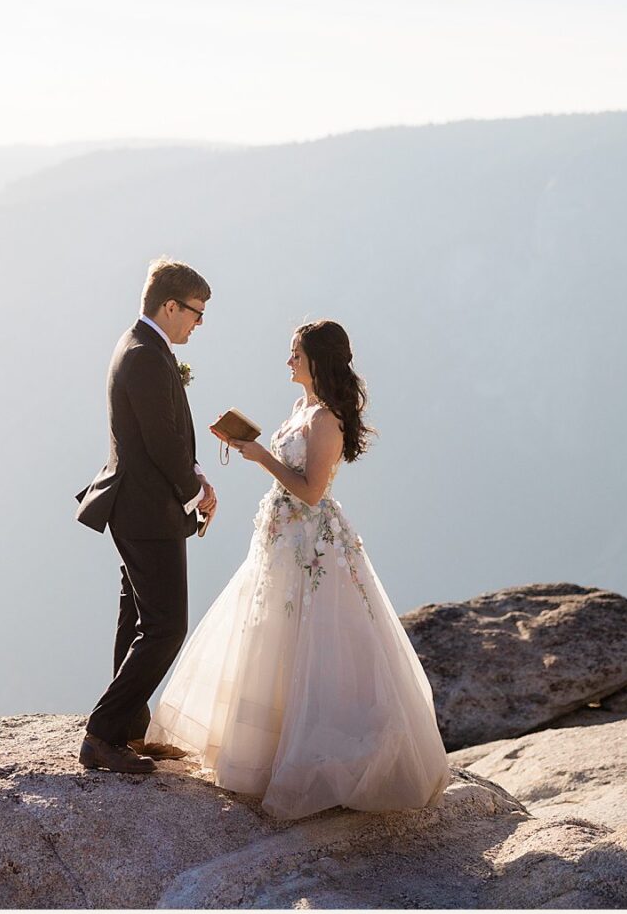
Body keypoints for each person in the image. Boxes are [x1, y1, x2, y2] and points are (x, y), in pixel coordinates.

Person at [145, 320, 450, 817]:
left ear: (316, 360)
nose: (288, 361)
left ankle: (317, 762)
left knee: (313, 641)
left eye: (296, 354)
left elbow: (311, 492)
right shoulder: (300, 408)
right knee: (271, 639)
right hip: (280, 542)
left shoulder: (326, 420)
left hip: (311, 547)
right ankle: (264, 756)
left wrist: (261, 457)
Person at [75, 257, 218, 774]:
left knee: (136, 616)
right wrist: (197, 493)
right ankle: (101, 734)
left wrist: (195, 475)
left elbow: (164, 432)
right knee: (166, 627)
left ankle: (128, 730)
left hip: (136, 505)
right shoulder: (145, 357)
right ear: (170, 306)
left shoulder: (140, 346)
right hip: (146, 511)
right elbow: (161, 442)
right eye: (196, 312)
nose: (199, 323)